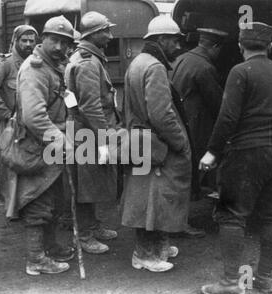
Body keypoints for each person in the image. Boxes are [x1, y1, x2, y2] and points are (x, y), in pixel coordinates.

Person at [199, 22, 272, 294]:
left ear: (240, 46)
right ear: (269, 46)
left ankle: (229, 283)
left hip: (248, 153)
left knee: (232, 216)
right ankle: (265, 279)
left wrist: (213, 151)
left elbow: (227, 118)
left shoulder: (240, 72)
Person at [121, 15, 192, 272]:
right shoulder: (155, 67)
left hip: (143, 141)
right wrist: (180, 142)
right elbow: (161, 114)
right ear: (161, 41)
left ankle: (157, 247)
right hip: (158, 143)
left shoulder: (138, 62)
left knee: (149, 198)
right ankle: (145, 254)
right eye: (174, 41)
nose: (178, 47)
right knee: (153, 199)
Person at [16, 15, 75, 275]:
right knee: (38, 201)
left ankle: (49, 247)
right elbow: (34, 116)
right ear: (43, 39)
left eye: (65, 42)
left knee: (53, 200)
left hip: (52, 144)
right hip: (37, 145)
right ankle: (35, 259)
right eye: (55, 40)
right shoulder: (35, 69)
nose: (60, 47)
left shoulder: (54, 66)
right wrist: (61, 140)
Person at [65, 11, 119, 254]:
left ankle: (92, 226)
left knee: (92, 182)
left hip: (88, 129)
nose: (110, 35)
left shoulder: (91, 57)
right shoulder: (87, 62)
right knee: (86, 184)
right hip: (87, 131)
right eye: (106, 31)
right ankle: (84, 236)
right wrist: (104, 138)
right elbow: (90, 105)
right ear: (94, 34)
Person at [170, 28, 228, 237]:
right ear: (214, 46)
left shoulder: (182, 58)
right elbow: (218, 105)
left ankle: (175, 220)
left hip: (179, 124)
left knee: (180, 174)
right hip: (196, 129)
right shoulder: (204, 67)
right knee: (190, 174)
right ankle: (180, 223)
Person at [0, 24, 38, 221]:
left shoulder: (36, 62)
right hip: (11, 124)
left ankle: (27, 203)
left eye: (32, 41)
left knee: (29, 164)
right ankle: (12, 208)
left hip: (31, 123)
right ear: (15, 41)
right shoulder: (5, 64)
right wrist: (5, 115)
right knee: (11, 165)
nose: (28, 44)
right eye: (24, 40)